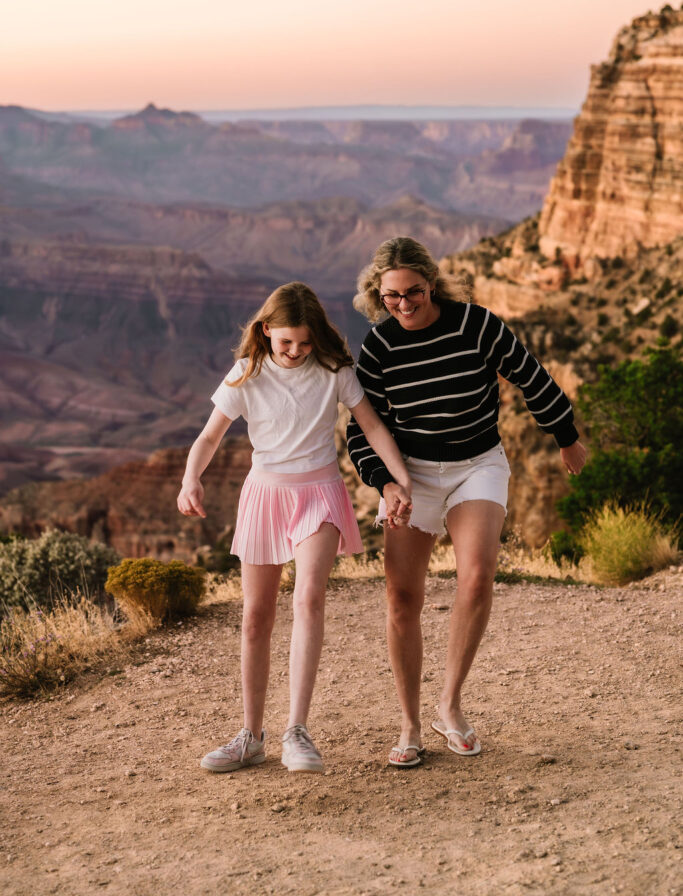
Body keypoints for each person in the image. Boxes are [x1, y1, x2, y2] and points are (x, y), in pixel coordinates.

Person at [347, 237, 587, 768]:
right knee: (402, 599)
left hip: (477, 463)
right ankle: (409, 724)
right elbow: (363, 429)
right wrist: (385, 484)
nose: (405, 304)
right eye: (391, 296)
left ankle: (449, 705)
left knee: (476, 576)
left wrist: (565, 435)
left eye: (414, 292)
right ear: (377, 294)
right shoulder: (379, 347)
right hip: (409, 477)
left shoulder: (476, 324)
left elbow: (530, 374)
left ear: (431, 283)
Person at [177, 282, 412, 774]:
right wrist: (190, 479)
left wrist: (399, 480)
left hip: (320, 492)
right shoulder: (247, 372)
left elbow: (371, 427)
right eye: (286, 342)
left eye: (304, 343)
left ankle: (296, 731)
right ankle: (250, 737)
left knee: (308, 598)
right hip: (264, 495)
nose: (296, 352)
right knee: (256, 615)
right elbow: (209, 435)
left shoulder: (334, 371)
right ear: (267, 332)